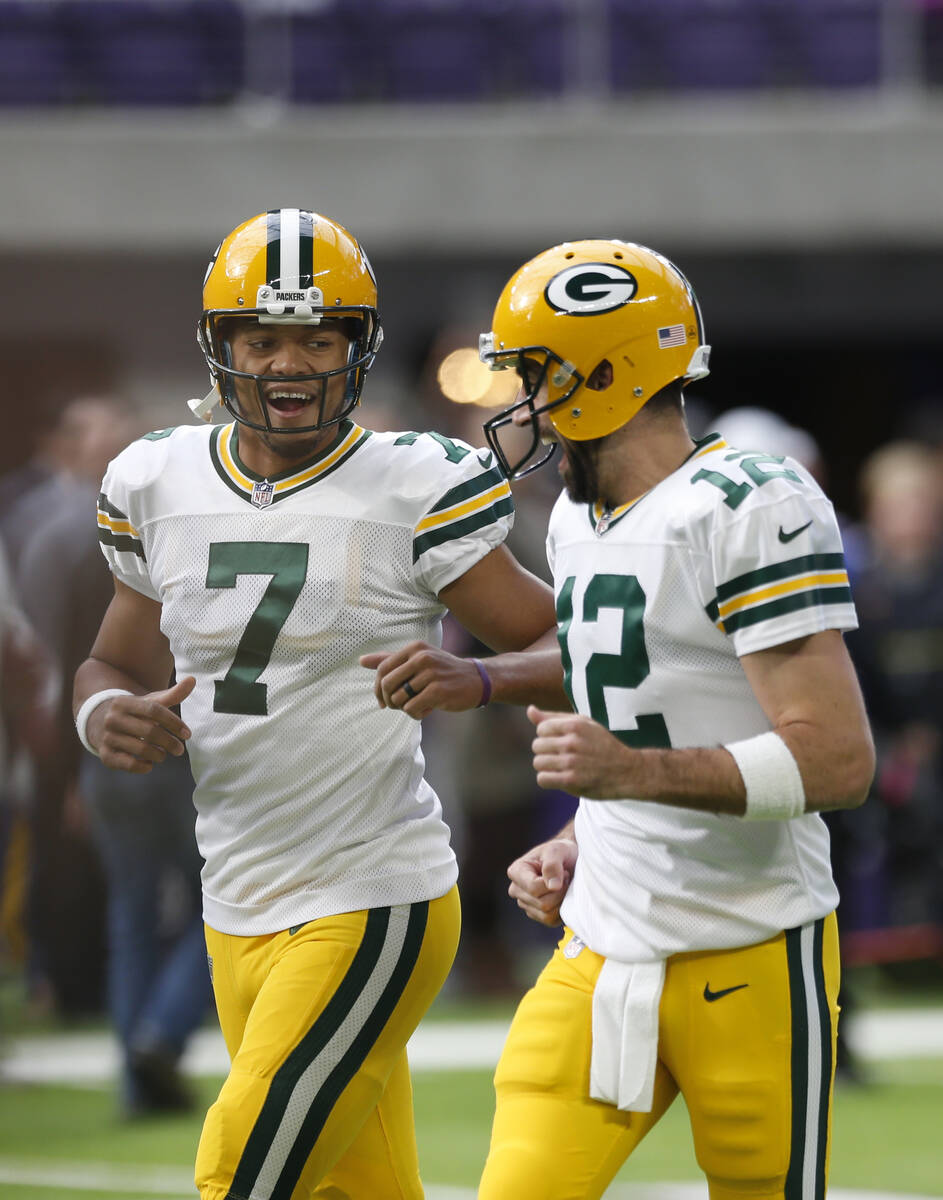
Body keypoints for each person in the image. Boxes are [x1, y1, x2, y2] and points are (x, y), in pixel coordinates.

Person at [372, 239, 876, 1199]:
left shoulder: (746, 504)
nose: (516, 400)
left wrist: (628, 778)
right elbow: (627, 667)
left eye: (533, 373)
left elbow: (837, 759)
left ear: (605, 375)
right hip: (599, 947)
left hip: (752, 944)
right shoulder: (576, 515)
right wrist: (487, 686)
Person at [72, 209, 559, 1199]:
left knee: (239, 1172)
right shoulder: (154, 479)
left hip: (370, 894)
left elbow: (575, 645)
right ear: (222, 348)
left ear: (355, 349)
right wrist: (102, 717)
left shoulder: (414, 483)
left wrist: (481, 680)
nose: (289, 362)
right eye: (263, 338)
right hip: (234, 895)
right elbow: (107, 665)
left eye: (317, 337)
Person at [18, 396, 213, 1114]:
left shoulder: (46, 532)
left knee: (131, 914)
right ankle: (161, 1032)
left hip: (101, 741)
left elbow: (51, 668)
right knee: (216, 902)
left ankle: (138, 1079)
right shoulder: (170, 521)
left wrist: (69, 767)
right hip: (176, 739)